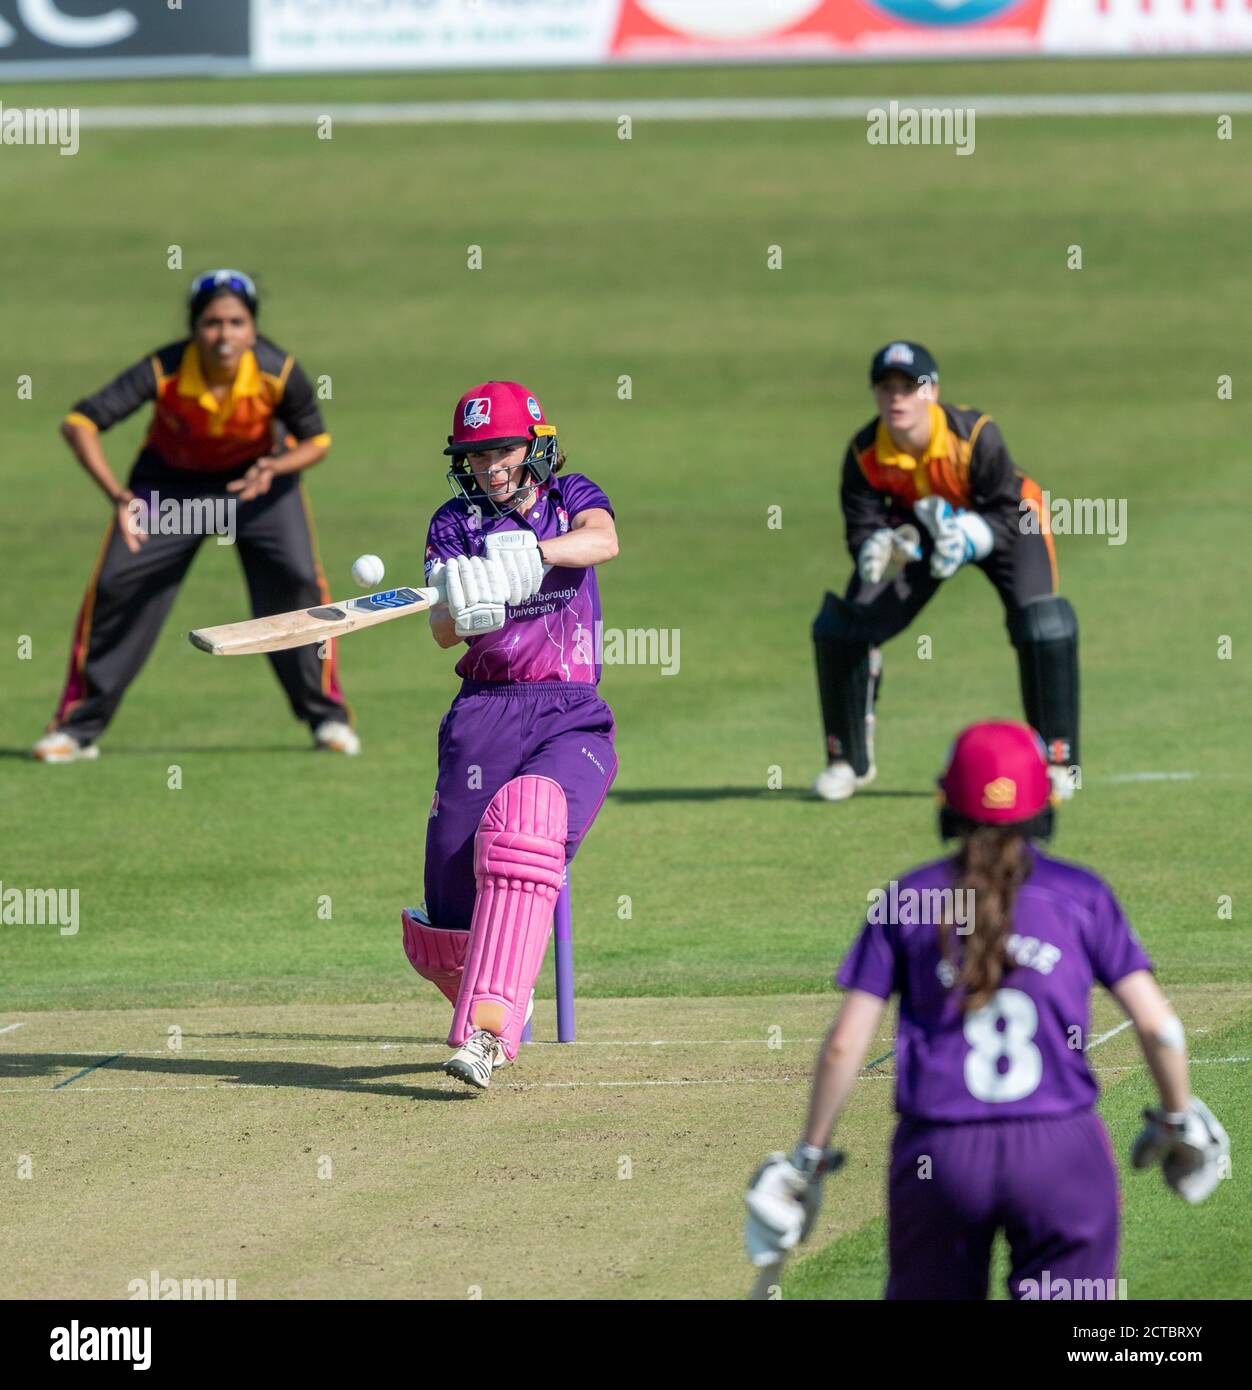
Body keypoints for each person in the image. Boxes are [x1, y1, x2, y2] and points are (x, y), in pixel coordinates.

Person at [746, 721, 1229, 1299]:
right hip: (1062, 1152)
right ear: (1043, 802)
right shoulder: (1082, 895)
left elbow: (846, 1045)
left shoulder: (906, 898)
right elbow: (1159, 1027)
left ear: (945, 801)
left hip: (940, 1157)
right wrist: (1178, 1120)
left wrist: (810, 1159)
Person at [34, 269, 357, 762]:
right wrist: (119, 497)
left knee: (296, 582)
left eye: (235, 322)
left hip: (256, 489)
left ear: (252, 327)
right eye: (211, 323)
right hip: (171, 494)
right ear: (193, 327)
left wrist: (274, 464)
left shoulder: (277, 371)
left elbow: (317, 441)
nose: (224, 335)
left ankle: (327, 718)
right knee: (119, 584)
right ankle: (77, 728)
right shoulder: (164, 368)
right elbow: (79, 423)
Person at [401, 381, 619, 1090]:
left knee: (528, 825)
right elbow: (438, 629)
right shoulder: (453, 524)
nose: (490, 466)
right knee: (446, 932)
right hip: (482, 712)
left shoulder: (568, 496)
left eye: (500, 450)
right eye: (475, 455)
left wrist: (539, 553)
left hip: (570, 712)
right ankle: (496, 989)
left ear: (531, 446)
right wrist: (461, 609)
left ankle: (488, 1034)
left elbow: (604, 539)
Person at [812, 341, 1078, 802]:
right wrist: (877, 548)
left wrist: (971, 537)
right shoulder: (863, 453)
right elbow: (862, 524)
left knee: (1042, 624)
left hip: (1009, 520)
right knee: (843, 627)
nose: (897, 398)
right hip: (922, 533)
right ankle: (846, 760)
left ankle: (1056, 762)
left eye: (909, 388)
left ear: (931, 391)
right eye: (886, 388)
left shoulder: (975, 435)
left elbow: (1006, 508)